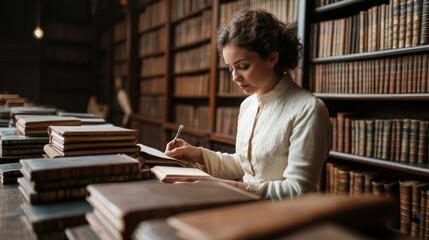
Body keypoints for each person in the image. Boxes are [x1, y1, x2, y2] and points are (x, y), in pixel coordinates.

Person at [165, 9, 331, 200]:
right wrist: (198, 155)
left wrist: (226, 186)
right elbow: (247, 163)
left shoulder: (308, 109)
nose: (235, 77)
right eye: (230, 68)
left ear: (272, 58)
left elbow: (298, 190)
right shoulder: (248, 105)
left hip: (285, 218)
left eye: (242, 66)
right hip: (245, 207)